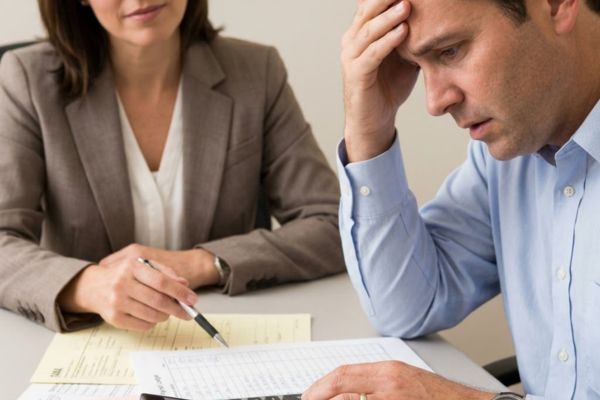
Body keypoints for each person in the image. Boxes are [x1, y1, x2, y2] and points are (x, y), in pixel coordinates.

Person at [302, 0, 600, 399]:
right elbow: (407, 306)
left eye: (450, 51)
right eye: (416, 66)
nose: (434, 102)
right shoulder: (510, 153)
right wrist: (368, 130)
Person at [0, 0, 344, 333]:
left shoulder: (257, 72)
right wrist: (88, 286)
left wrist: (201, 264)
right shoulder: (27, 80)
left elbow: (332, 224)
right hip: (90, 346)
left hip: (223, 339)